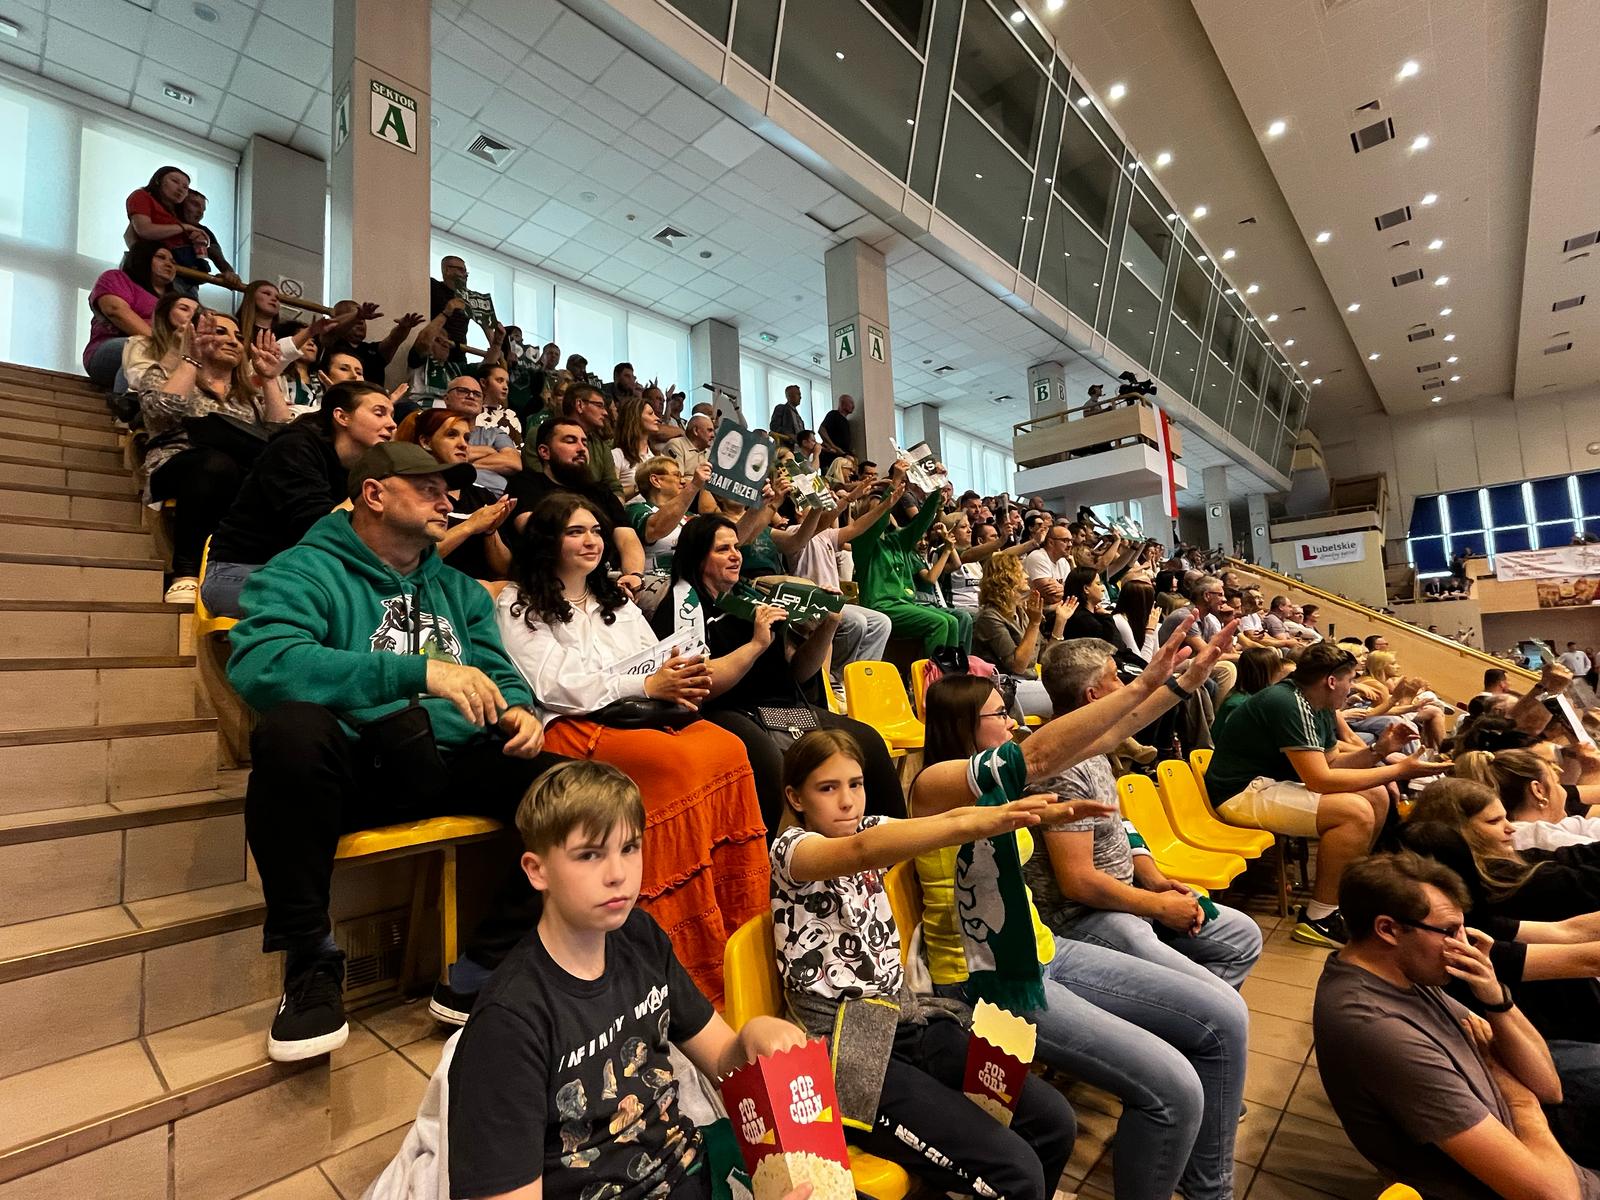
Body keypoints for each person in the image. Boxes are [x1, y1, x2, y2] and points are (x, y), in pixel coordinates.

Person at [228, 442, 564, 1057]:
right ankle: (310, 962)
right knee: (290, 731)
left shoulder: (459, 590)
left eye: (447, 489)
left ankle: (483, 966)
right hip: (354, 767)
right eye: (428, 488)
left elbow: (497, 669)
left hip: (450, 758)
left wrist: (519, 708)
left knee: (578, 792)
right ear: (374, 494)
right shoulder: (302, 569)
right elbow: (263, 664)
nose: (447, 499)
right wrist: (416, 672)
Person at [909, 616, 1257, 1200]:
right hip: (989, 976)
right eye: (999, 714)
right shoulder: (935, 784)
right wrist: (1143, 683)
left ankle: (1207, 1189)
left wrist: (1178, 686)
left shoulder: (999, 779)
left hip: (1045, 950)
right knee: (1173, 1087)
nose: (1013, 722)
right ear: (964, 724)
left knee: (1225, 1016)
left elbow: (1102, 736)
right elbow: (1039, 754)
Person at [445, 760, 809, 1200]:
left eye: (630, 847)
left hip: (692, 1170)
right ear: (536, 870)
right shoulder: (510, 1021)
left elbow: (722, 1061)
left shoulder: (640, 936)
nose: (618, 874)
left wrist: (752, 1037)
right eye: (590, 854)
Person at [771, 730, 1078, 1199]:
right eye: (827, 788)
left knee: (1054, 1123)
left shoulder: (865, 827)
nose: (848, 801)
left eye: (856, 784)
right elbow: (860, 853)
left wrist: (1013, 814)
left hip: (904, 1019)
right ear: (796, 798)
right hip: (848, 1047)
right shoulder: (791, 851)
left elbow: (947, 817)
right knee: (1017, 1173)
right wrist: (984, 823)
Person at [494, 494, 767, 1005]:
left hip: (638, 714)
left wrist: (677, 677)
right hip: (573, 724)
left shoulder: (615, 600)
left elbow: (652, 658)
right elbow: (554, 685)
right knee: (674, 764)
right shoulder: (517, 603)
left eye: (596, 531)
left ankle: (736, 922)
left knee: (728, 747)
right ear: (548, 542)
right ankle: (669, 941)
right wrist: (646, 685)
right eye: (576, 532)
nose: (592, 541)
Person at [1313, 851, 1600, 1200]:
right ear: (1387, 929)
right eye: (1450, 931)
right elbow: (1555, 1195)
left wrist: (1494, 996)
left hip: (1547, 1151)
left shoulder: (1406, 975)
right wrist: (1519, 1096)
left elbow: (1549, 1087)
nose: (1465, 944)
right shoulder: (1376, 1027)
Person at [1033, 638, 1265, 987]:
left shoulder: (1094, 745)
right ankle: (1193, 1007)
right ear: (1093, 695)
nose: (1124, 685)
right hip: (1084, 916)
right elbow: (1077, 882)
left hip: (1127, 895)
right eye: (1115, 677)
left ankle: (1181, 1013)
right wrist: (1157, 906)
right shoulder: (1063, 768)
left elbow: (1118, 824)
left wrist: (1154, 880)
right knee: (1211, 998)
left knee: (1242, 936)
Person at [652, 513, 904, 828]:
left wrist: (828, 625)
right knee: (770, 761)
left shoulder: (754, 599)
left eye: (736, 547)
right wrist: (756, 645)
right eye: (722, 549)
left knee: (869, 741)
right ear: (697, 556)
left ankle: (891, 843)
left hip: (784, 706)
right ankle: (779, 851)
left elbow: (798, 674)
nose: (735, 556)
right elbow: (697, 684)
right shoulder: (683, 606)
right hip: (726, 709)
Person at [1207, 642, 1442, 947]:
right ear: (1331, 681)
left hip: (1267, 784)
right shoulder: (1287, 702)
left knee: (1376, 793)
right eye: (1350, 680)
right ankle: (1319, 918)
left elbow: (1331, 762)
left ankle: (1347, 896)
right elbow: (1320, 780)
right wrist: (1398, 771)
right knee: (1353, 812)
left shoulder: (1317, 703)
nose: (1353, 687)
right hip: (1239, 792)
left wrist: (1379, 750)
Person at [200, 380, 399, 616]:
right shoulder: (293, 448)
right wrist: (364, 488)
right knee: (343, 605)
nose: (392, 424)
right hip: (239, 573)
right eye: (379, 413)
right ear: (342, 417)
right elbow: (319, 528)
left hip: (302, 574)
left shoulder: (357, 465)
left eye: (392, 415)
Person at [137, 310, 292, 603]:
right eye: (220, 332)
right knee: (215, 464)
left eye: (238, 337)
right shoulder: (164, 373)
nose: (233, 341)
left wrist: (269, 378)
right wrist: (190, 360)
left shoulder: (247, 395)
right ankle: (186, 573)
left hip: (238, 473)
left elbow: (284, 439)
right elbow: (161, 412)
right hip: (177, 464)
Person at [786, 477, 896, 699]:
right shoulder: (794, 533)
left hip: (835, 601)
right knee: (856, 622)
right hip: (810, 601)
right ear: (798, 510)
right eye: (815, 501)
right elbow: (820, 523)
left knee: (881, 622)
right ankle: (836, 680)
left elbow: (857, 526)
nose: (823, 505)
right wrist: (848, 498)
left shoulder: (827, 535)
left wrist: (886, 505)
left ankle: (861, 681)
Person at [508, 418, 647, 593]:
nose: (582, 449)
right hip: (549, 584)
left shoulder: (600, 491)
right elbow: (534, 531)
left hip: (610, 580)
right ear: (545, 452)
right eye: (570, 441)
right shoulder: (525, 484)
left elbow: (627, 538)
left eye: (584, 442)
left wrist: (634, 575)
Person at [854, 467, 970, 655]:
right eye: (878, 509)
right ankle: (932, 673)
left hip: (906, 604)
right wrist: (894, 483)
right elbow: (876, 523)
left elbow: (921, 522)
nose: (884, 512)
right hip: (881, 606)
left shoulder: (896, 540)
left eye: (886, 508)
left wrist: (937, 488)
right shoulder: (862, 542)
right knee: (939, 623)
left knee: (953, 621)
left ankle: (952, 670)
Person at [394, 408, 516, 583]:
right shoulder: (409, 492)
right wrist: (470, 526)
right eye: (451, 435)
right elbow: (409, 560)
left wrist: (490, 531)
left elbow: (503, 570)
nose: (463, 444)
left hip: (478, 592)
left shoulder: (482, 495)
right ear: (426, 442)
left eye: (466, 438)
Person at [971, 553, 1069, 720]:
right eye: (1021, 571)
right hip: (1004, 689)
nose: (1026, 575)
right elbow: (1018, 666)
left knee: (1079, 688)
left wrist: (1060, 622)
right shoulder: (990, 617)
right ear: (1006, 577)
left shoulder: (1022, 612)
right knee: (1071, 697)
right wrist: (1034, 624)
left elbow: (1045, 658)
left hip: (1029, 682)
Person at [1453, 749, 1600, 851]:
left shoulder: (1545, 829)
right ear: (1538, 791)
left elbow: (1582, 825)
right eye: (1557, 782)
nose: (1563, 791)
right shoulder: (1530, 836)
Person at [83, 241, 179, 389]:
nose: (169, 264)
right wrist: (162, 345)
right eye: (161, 257)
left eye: (173, 262)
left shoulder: (179, 301)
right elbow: (115, 310)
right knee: (142, 351)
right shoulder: (117, 278)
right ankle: (128, 400)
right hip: (110, 348)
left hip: (163, 355)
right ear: (143, 258)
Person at [627, 454, 711, 575]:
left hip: (691, 579)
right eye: (677, 475)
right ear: (656, 480)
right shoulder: (635, 510)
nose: (683, 481)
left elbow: (722, 541)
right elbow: (655, 529)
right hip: (655, 580)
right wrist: (694, 485)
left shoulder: (691, 516)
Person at [438, 374, 520, 497]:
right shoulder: (435, 429)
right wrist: (489, 451)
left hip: (496, 499)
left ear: (482, 403)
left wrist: (461, 463)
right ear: (446, 398)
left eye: (477, 394)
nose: (471, 396)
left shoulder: (495, 433)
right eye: (463, 391)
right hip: (452, 495)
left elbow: (514, 463)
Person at [123, 164, 208, 274]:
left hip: (182, 269)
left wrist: (201, 238)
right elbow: (145, 230)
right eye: (174, 181)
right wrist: (184, 227)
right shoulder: (142, 196)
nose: (180, 189)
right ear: (159, 180)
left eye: (185, 187)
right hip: (151, 266)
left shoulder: (179, 212)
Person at [119, 289, 198, 396]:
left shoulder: (200, 351)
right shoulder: (141, 343)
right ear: (166, 313)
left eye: (196, 312)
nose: (192, 315)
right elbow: (140, 381)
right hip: (147, 401)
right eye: (184, 309)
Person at [176, 190, 240, 286]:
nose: (200, 212)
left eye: (203, 209)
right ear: (180, 202)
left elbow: (219, 259)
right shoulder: (164, 223)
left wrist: (230, 274)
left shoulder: (204, 232)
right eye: (195, 204)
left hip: (190, 286)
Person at [612, 394, 661, 500]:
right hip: (632, 508)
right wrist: (641, 486)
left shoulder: (657, 456)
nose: (657, 418)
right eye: (650, 414)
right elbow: (610, 496)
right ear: (635, 418)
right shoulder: (617, 455)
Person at [1110, 576, 1159, 662]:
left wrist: (1153, 628)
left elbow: (1156, 656)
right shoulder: (1119, 620)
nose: (1154, 604)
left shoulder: (1141, 620)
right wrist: (1150, 631)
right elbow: (1142, 663)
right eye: (1151, 601)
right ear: (1142, 603)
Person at [818, 394, 854, 473]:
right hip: (831, 457)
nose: (853, 406)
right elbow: (821, 430)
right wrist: (833, 446)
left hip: (841, 456)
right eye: (851, 403)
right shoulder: (833, 414)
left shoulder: (845, 421)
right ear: (843, 404)